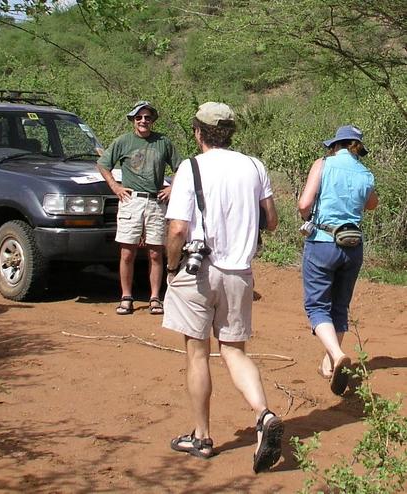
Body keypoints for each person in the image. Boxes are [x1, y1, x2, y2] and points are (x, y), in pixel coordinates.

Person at [163, 102, 283, 473]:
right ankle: (263, 414)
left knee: (197, 354)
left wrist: (171, 266)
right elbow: (273, 221)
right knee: (233, 350)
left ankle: (201, 436)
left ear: (198, 132)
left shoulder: (190, 168)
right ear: (231, 132)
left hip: (198, 270)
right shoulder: (254, 166)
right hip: (239, 273)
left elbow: (178, 230)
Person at [298, 125, 378, 395]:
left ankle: (335, 353)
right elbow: (371, 204)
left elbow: (303, 204)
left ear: (336, 144)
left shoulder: (323, 164)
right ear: (357, 147)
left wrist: (308, 217)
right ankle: (329, 364)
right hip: (353, 246)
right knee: (340, 305)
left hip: (323, 241)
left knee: (317, 306)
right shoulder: (365, 173)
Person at [96, 101, 181, 315]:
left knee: (155, 252)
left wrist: (172, 189)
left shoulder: (163, 142)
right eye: (139, 117)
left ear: (153, 120)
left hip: (156, 202)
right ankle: (126, 297)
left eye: (147, 117)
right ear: (133, 120)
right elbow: (103, 164)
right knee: (127, 252)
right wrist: (115, 187)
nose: (143, 121)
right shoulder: (123, 141)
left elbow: (181, 167)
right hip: (130, 202)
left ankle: (155, 298)